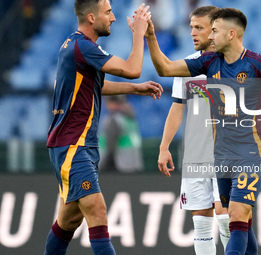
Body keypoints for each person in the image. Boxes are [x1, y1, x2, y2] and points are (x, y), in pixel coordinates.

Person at [146, 7, 261, 255]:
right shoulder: (208, 62)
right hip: (221, 154)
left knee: (234, 215)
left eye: (213, 31)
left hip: (251, 153)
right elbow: (165, 69)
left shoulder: (258, 64)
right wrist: (150, 37)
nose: (209, 36)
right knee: (240, 220)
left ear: (231, 34)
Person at [44, 1, 163, 255]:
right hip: (72, 145)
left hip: (78, 144)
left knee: (68, 222)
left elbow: (95, 86)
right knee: (97, 210)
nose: (113, 18)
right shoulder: (83, 47)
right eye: (108, 13)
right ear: (90, 17)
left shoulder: (77, 46)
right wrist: (139, 33)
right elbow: (133, 69)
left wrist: (135, 88)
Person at [157, 6, 230, 255]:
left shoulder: (233, 64)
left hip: (226, 154)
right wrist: (164, 146)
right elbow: (177, 107)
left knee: (226, 218)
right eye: (191, 27)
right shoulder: (188, 67)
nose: (192, 33)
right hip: (196, 155)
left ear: (215, 29)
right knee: (201, 222)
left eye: (199, 27)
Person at [100, 95, 143, 173]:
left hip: (121, 163)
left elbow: (110, 145)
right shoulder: (130, 117)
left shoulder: (114, 119)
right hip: (134, 159)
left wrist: (102, 165)